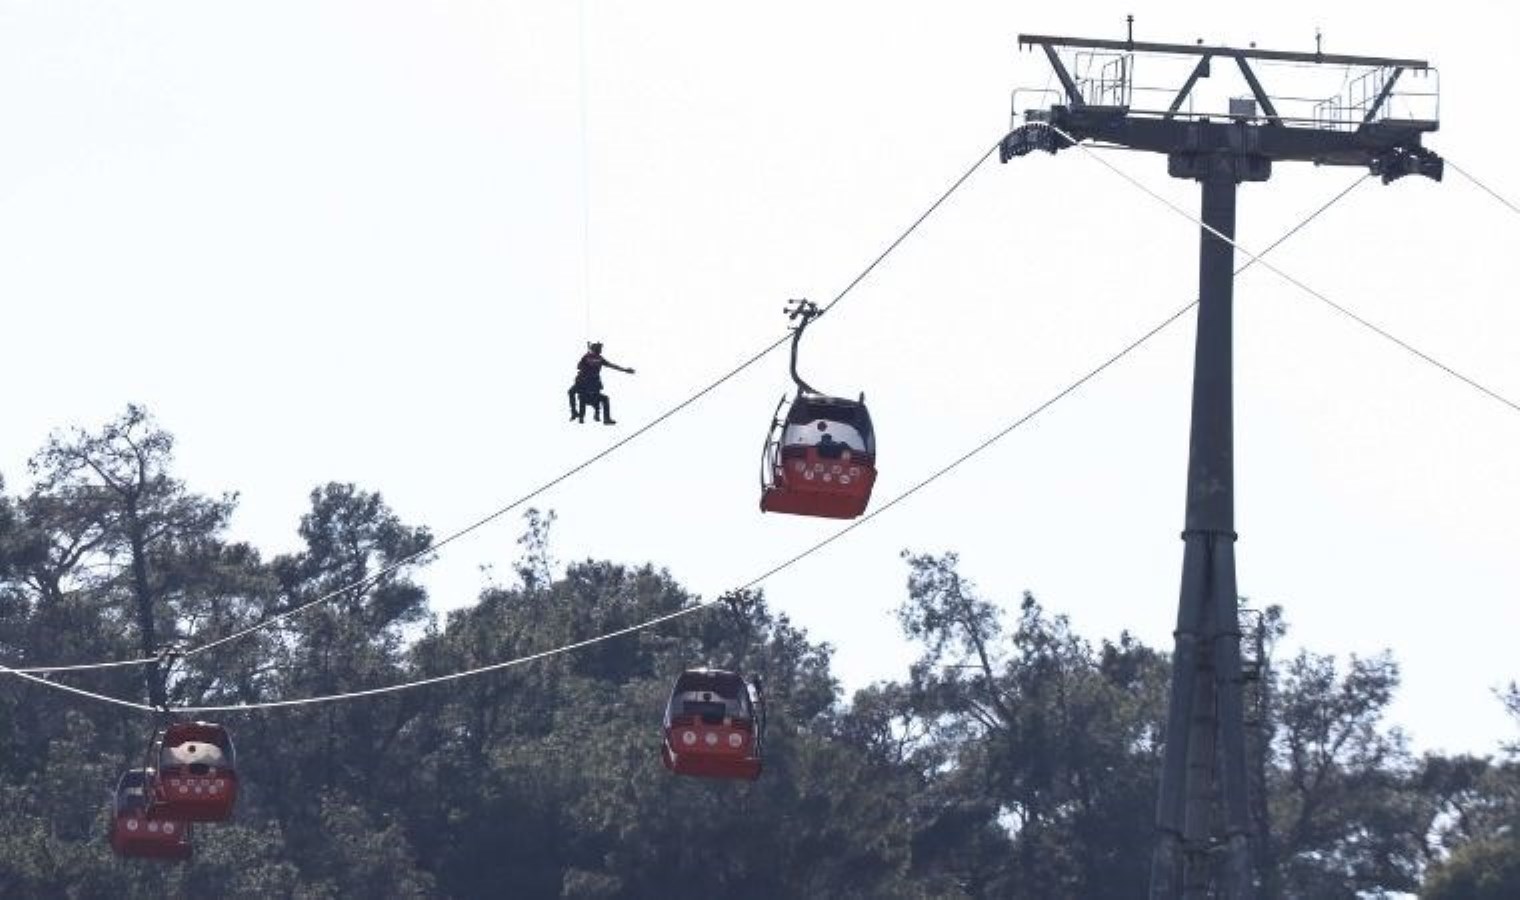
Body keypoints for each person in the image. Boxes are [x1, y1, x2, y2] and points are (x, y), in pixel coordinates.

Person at [568, 341, 635, 424]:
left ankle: (576, 413)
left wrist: (625, 370)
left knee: (572, 392)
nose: (601, 350)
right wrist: (625, 370)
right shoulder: (594, 358)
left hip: (588, 384)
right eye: (600, 349)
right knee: (572, 392)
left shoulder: (593, 358)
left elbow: (612, 365)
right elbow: (579, 366)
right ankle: (576, 413)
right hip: (586, 383)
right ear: (596, 350)